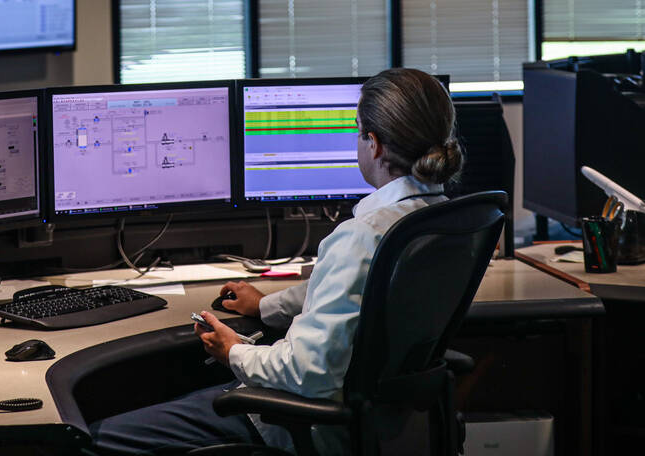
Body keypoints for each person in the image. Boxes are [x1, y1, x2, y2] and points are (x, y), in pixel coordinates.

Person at [90, 68, 464, 455]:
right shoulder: (448, 221)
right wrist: (265, 305)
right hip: (392, 426)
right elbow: (358, 291)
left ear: (374, 144)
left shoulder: (364, 235)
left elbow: (307, 373)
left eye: (357, 132)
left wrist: (233, 350)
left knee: (100, 436)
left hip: (306, 422)